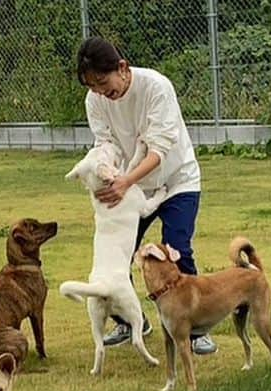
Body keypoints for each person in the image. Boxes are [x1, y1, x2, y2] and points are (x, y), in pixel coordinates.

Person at [76, 36, 217, 355]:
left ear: (122, 68)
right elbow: (105, 142)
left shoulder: (156, 87)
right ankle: (129, 321)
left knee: (177, 248)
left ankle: (196, 329)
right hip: (131, 185)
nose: (101, 93)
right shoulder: (94, 100)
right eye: (93, 87)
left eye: (103, 82)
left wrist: (126, 181)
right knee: (115, 254)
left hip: (177, 179)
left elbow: (160, 148)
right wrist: (106, 170)